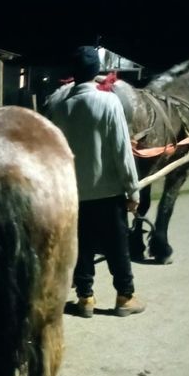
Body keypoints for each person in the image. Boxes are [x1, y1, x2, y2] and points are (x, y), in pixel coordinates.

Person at [49, 45, 145, 317]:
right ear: (96, 71)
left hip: (74, 194)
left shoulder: (59, 108)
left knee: (81, 246)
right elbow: (122, 151)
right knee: (117, 246)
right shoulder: (109, 102)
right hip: (108, 192)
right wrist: (133, 190)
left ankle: (85, 299)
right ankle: (125, 297)